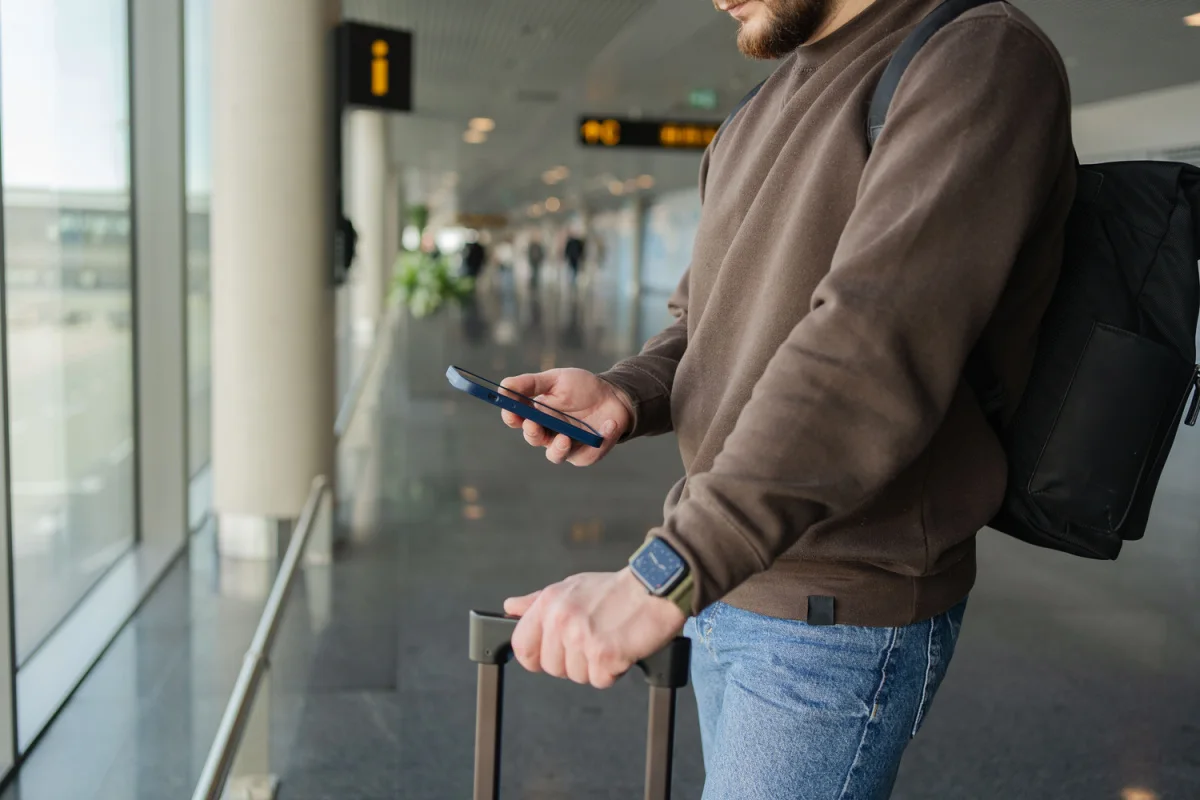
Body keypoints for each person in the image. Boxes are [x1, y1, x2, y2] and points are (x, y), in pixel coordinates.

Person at [498, 0, 1076, 796]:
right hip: (728, 578)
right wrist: (628, 393)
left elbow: (870, 351)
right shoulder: (757, 107)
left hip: (838, 607)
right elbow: (705, 319)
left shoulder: (974, 58)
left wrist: (662, 576)